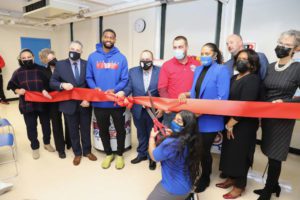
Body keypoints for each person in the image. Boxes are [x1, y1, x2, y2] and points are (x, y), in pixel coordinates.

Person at [254, 30, 300, 200]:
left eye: (286, 45)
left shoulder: (297, 68)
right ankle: (275, 184)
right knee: (267, 150)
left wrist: (286, 103)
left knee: (275, 155)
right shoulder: (271, 66)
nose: (281, 47)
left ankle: (268, 190)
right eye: (280, 43)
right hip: (267, 117)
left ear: (295, 48)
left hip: (283, 120)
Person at [178, 43, 231, 193]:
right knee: (193, 147)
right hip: (195, 118)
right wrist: (185, 94)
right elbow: (196, 90)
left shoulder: (221, 70)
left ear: (215, 55)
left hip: (210, 119)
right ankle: (192, 172)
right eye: (202, 53)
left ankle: (205, 177)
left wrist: (202, 111)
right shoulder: (199, 69)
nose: (204, 56)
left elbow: (222, 97)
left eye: (208, 53)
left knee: (203, 151)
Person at [217, 49, 261, 199]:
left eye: (245, 59)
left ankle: (239, 186)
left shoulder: (253, 80)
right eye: (239, 58)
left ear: (252, 64)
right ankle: (231, 178)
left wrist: (231, 123)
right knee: (230, 152)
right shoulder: (234, 77)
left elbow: (246, 105)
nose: (241, 61)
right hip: (231, 122)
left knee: (241, 156)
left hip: (243, 125)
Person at [86, 29, 128, 169]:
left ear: (115, 40)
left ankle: (120, 155)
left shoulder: (121, 58)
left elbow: (124, 79)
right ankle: (109, 154)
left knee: (120, 130)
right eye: (106, 36)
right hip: (99, 103)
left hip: (116, 102)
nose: (108, 39)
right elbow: (89, 77)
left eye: (111, 37)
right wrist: (94, 88)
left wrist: (115, 90)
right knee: (103, 130)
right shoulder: (92, 57)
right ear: (102, 38)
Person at [50, 41, 97, 166]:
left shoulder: (88, 64)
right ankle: (77, 153)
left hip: (85, 104)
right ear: (68, 49)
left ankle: (87, 151)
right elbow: (52, 82)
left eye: (77, 50)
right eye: (72, 48)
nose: (74, 51)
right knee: (73, 130)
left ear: (81, 52)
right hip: (68, 104)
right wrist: (62, 85)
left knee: (86, 129)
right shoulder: (60, 65)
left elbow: (91, 84)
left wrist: (89, 99)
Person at [116, 50, 163, 170]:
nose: (145, 62)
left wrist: (162, 107)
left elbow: (163, 91)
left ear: (152, 60)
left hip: (154, 110)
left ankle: (152, 157)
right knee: (141, 133)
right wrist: (123, 92)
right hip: (138, 110)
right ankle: (141, 154)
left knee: (152, 134)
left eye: (148, 59)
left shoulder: (160, 72)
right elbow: (129, 87)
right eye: (143, 59)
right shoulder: (132, 71)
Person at [7, 48, 55, 159]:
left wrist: (44, 89)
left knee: (46, 125)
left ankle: (47, 143)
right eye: (24, 58)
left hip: (43, 103)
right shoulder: (18, 72)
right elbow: (11, 85)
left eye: (29, 57)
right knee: (31, 127)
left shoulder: (41, 69)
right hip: (27, 104)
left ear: (33, 57)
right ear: (20, 59)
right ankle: (35, 147)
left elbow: (50, 83)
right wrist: (18, 91)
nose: (27, 59)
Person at [147, 110, 202, 200]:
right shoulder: (192, 139)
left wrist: (152, 137)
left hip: (175, 189)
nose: (174, 122)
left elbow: (153, 157)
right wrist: (173, 135)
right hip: (188, 184)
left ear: (186, 126)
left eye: (179, 121)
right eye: (175, 119)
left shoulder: (171, 143)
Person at [158, 36, 200, 127]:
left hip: (192, 110)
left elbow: (201, 86)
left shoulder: (197, 64)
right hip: (172, 111)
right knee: (171, 139)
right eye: (175, 47)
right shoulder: (167, 65)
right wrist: (167, 105)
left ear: (187, 47)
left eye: (180, 47)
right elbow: (162, 88)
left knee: (190, 139)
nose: (177, 50)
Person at [39, 48, 71, 159]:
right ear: (44, 61)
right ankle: (60, 149)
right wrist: (43, 90)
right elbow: (42, 85)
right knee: (56, 125)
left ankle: (69, 142)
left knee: (68, 121)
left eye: (53, 57)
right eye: (50, 59)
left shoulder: (62, 67)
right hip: (52, 102)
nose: (53, 60)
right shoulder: (42, 71)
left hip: (65, 99)